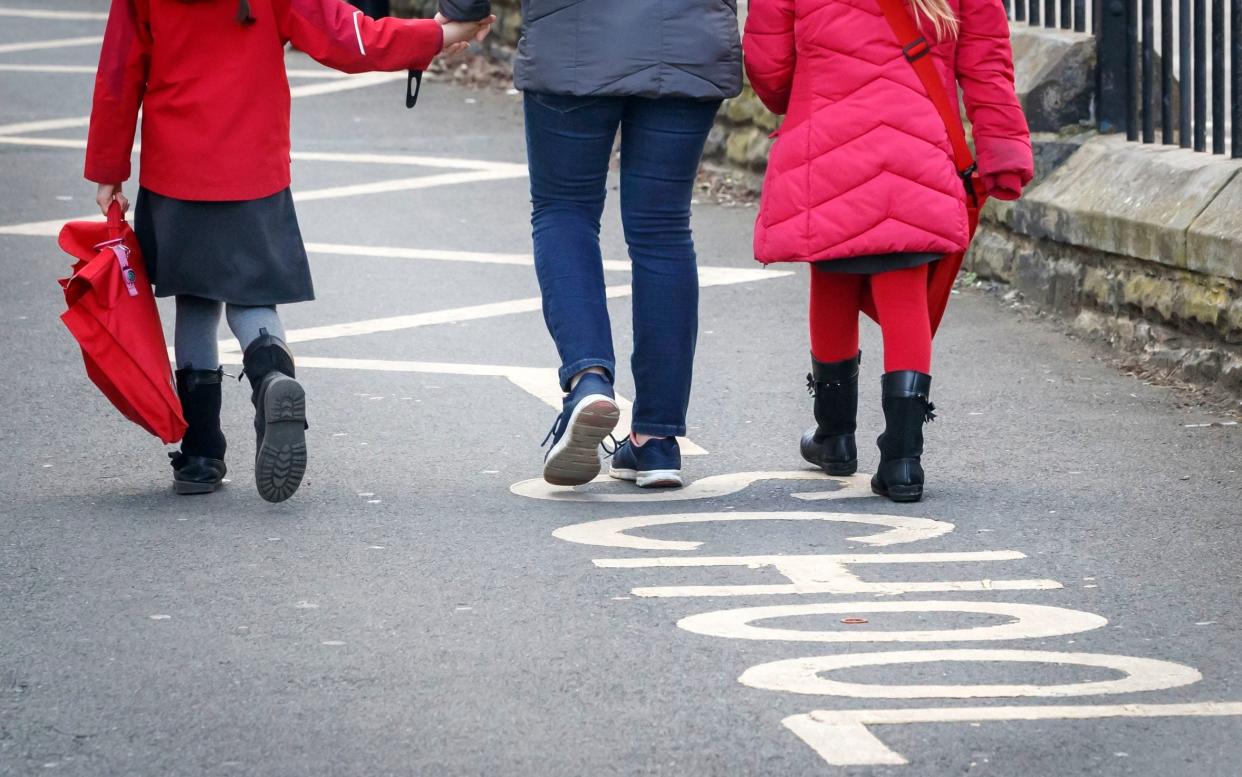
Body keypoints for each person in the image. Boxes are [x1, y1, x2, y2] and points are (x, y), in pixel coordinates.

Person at [86, 0, 492, 501]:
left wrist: (109, 168)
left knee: (194, 298)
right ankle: (272, 377)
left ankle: (199, 454)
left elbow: (119, 70)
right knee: (253, 295)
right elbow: (347, 36)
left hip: (176, 167)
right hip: (253, 163)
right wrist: (438, 35)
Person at [744, 0, 1033, 502]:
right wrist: (1003, 151)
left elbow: (769, 70)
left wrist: (820, 83)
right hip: (918, 145)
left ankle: (834, 437)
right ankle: (903, 460)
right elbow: (987, 64)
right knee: (903, 283)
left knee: (832, 272)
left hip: (829, 138)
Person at [515, 0, 743, 489]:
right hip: (689, 38)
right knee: (663, 228)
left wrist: (460, 12)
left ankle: (588, 380)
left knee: (564, 210)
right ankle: (657, 439)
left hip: (571, 37)